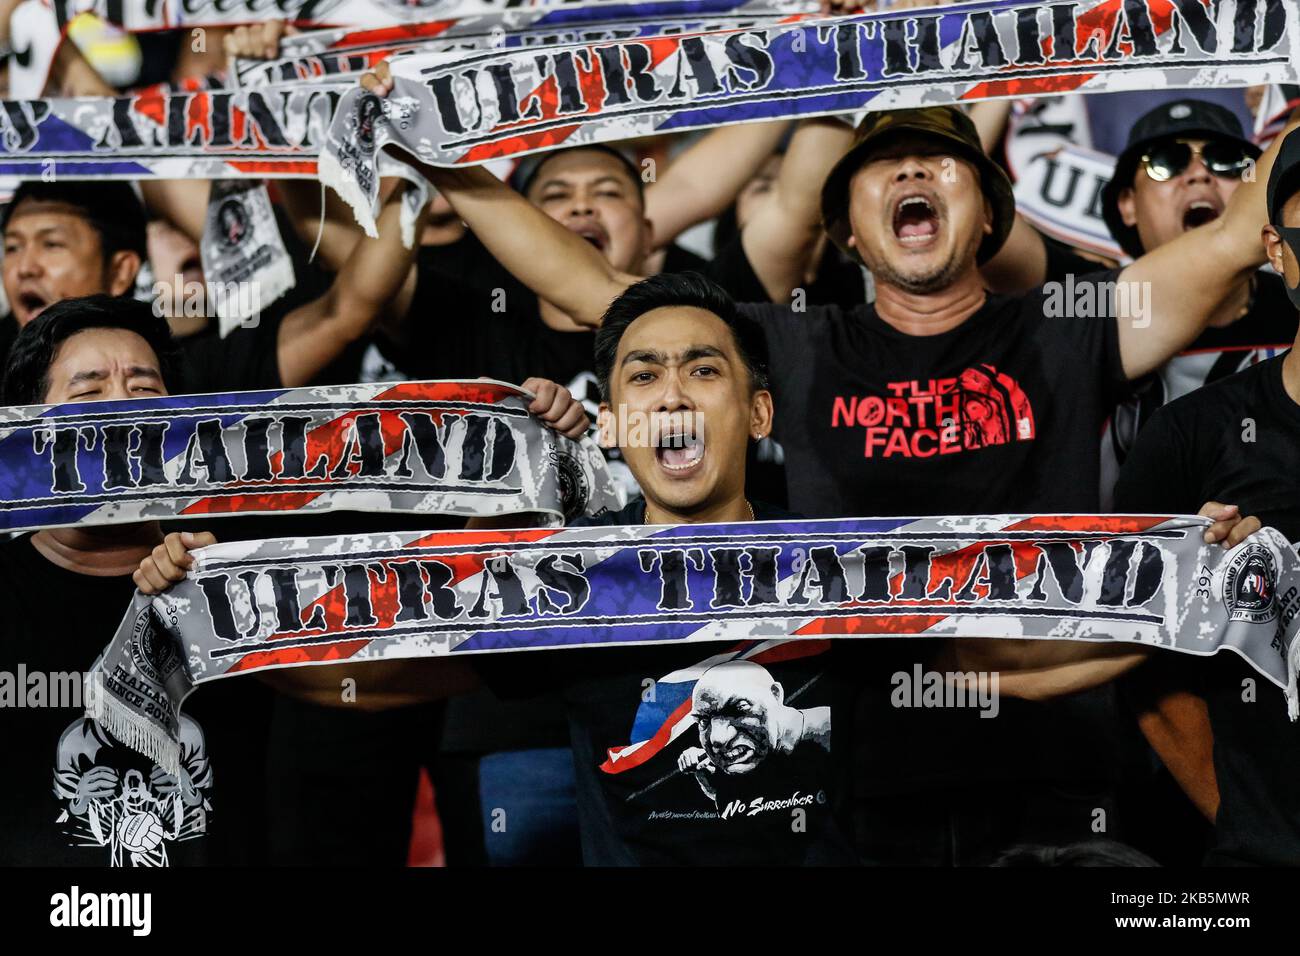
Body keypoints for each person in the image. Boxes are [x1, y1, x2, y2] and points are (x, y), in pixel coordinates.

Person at [365, 55, 1297, 861]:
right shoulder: (797, 347)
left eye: (939, 162)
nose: (912, 175)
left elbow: (1231, 238)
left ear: (986, 216)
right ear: (848, 231)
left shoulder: (1069, 325)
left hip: (1054, 765)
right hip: (858, 782)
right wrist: (439, 164)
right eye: (881, 168)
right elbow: (589, 284)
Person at [476, 272, 857, 865]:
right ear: (611, 424)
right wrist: (498, 478)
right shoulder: (570, 575)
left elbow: (1006, 664)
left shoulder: (840, 566)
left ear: (759, 413)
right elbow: (374, 675)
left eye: (704, 370)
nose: (673, 395)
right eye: (645, 375)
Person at [0, 295, 227, 865]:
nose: (121, 411)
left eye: (144, 389)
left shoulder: (229, 583)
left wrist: (231, 606)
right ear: (31, 434)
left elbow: (371, 689)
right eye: (89, 391)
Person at [0, 177, 426, 393]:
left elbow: (346, 312)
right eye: (12, 248)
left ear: (122, 271)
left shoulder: (192, 368)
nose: (24, 267)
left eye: (51, 245)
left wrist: (418, 172)